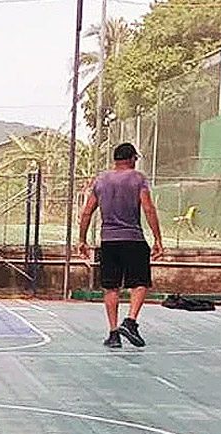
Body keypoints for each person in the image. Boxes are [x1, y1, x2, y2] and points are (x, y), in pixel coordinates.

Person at [77, 142, 164, 349]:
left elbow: (87, 211)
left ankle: (113, 332)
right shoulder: (138, 178)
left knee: (111, 287)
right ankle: (131, 321)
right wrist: (158, 239)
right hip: (133, 238)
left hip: (108, 241)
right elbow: (148, 208)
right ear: (132, 158)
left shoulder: (101, 181)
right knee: (140, 282)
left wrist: (82, 240)